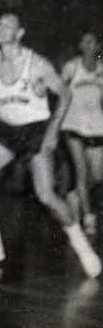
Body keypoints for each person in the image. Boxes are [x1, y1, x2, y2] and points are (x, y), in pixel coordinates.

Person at [0, 13, 101, 278]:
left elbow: (65, 94)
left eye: (8, 25)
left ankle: (82, 247)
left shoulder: (37, 64)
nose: (1, 29)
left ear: (20, 32)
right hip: (6, 129)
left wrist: (52, 133)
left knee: (46, 195)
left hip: (36, 129)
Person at [61, 32, 103, 236]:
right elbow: (60, 90)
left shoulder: (102, 70)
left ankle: (74, 194)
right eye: (83, 41)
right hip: (72, 125)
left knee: (97, 175)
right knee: (82, 172)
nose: (86, 45)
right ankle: (88, 218)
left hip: (96, 127)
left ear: (97, 46)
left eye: (91, 42)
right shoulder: (71, 67)